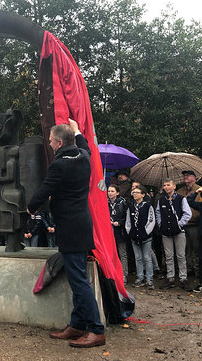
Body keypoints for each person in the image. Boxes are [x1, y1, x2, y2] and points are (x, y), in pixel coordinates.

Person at [27, 119, 105, 349]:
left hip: (70, 227)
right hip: (81, 224)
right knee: (76, 277)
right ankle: (77, 324)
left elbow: (45, 189)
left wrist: (31, 208)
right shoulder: (83, 156)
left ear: (59, 143)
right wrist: (78, 130)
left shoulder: (60, 165)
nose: (49, 144)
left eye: (51, 141)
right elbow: (86, 146)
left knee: (79, 281)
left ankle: (96, 330)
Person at [156, 179, 192, 291]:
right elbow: (158, 213)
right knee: (169, 256)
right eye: (164, 185)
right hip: (166, 232)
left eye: (168, 185)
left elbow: (187, 213)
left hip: (178, 231)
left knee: (181, 255)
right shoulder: (161, 200)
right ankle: (170, 278)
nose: (166, 187)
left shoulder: (181, 199)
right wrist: (161, 224)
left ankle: (183, 278)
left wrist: (179, 224)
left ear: (174, 186)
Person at [125, 185, 156, 289]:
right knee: (138, 258)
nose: (135, 194)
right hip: (134, 236)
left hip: (145, 236)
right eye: (133, 192)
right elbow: (128, 221)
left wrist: (146, 232)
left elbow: (151, 220)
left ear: (143, 194)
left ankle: (149, 279)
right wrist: (130, 232)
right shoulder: (131, 207)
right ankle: (140, 278)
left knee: (147, 258)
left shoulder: (147, 206)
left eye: (137, 192)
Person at [177, 170, 201, 277]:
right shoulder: (179, 191)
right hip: (183, 224)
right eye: (184, 175)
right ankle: (189, 269)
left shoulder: (200, 189)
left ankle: (199, 269)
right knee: (185, 249)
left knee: (197, 248)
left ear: (194, 178)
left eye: (188, 175)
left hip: (195, 223)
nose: (185, 177)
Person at [107, 185, 128, 284]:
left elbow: (127, 217)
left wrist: (119, 223)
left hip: (120, 231)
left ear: (117, 193)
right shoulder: (105, 202)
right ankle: (111, 273)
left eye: (112, 191)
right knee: (110, 253)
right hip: (109, 232)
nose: (110, 193)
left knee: (122, 253)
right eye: (109, 191)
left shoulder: (122, 203)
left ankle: (124, 274)